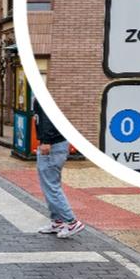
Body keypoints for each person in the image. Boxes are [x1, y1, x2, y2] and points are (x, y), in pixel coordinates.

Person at [33, 96, 84, 238]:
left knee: (51, 186)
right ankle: (57, 221)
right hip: (56, 144)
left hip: (53, 145)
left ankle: (71, 222)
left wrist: (46, 140)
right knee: (50, 185)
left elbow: (48, 119)